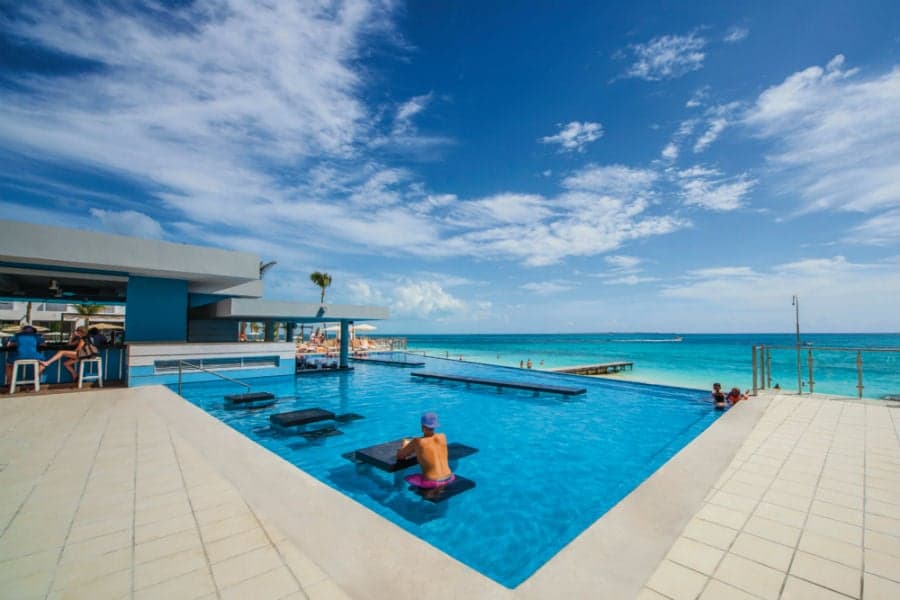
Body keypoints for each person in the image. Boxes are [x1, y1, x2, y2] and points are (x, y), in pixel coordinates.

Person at [397, 412, 454, 488]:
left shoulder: (418, 441)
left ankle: (398, 489)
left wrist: (404, 445)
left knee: (407, 477)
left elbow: (400, 456)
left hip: (433, 482)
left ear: (422, 427)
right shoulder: (443, 436)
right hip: (450, 478)